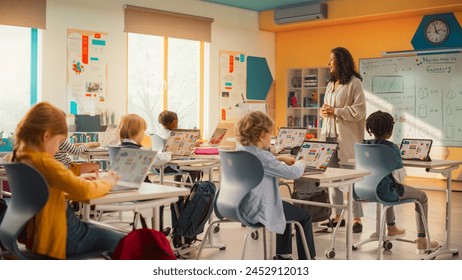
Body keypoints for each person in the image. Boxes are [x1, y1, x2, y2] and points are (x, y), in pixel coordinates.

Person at [11, 102, 123, 259]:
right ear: (46, 136)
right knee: (125, 241)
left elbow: (44, 192)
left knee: (99, 230)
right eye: (58, 142)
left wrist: (75, 178)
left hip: (40, 235)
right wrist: (108, 182)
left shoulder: (19, 157)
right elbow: (83, 191)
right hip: (64, 235)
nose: (58, 149)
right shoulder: (44, 161)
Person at [236, 111, 316, 260]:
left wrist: (278, 158)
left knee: (283, 209)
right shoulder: (263, 156)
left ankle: (283, 256)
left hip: (243, 206)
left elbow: (265, 163)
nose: (272, 138)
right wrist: (301, 163)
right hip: (259, 209)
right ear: (261, 135)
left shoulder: (242, 150)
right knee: (304, 216)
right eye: (270, 134)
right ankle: (308, 260)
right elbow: (293, 173)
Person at [364, 110, 439, 253]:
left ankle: (391, 228)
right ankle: (422, 240)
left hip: (367, 190)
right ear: (390, 131)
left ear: (370, 129)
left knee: (385, 184)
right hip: (385, 192)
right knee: (421, 196)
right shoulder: (392, 148)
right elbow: (399, 178)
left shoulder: (364, 145)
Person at [319, 47, 366, 233]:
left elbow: (359, 110)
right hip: (328, 137)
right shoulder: (331, 84)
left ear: (341, 61)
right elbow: (327, 108)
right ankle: (337, 216)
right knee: (332, 180)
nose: (328, 63)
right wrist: (324, 112)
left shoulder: (355, 83)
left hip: (346, 139)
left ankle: (357, 219)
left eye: (332, 59)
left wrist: (336, 111)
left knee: (351, 180)